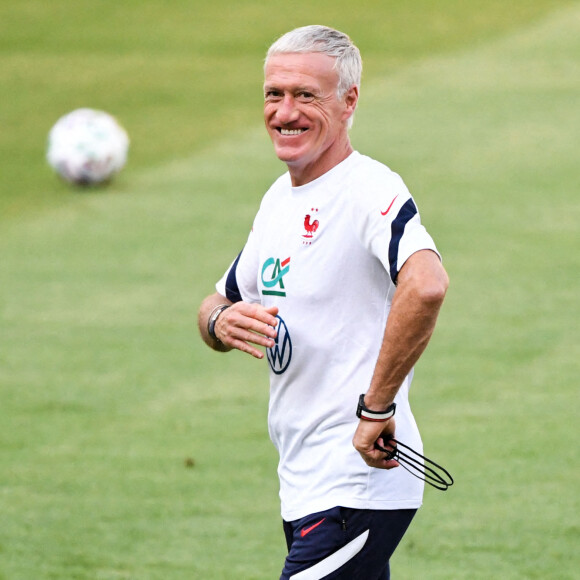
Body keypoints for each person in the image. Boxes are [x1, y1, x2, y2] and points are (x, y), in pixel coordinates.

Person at [198, 25, 449, 580]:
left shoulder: (366, 188)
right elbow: (218, 301)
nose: (285, 112)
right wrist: (221, 320)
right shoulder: (279, 200)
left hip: (356, 483)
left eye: (305, 95)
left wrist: (376, 408)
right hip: (305, 483)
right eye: (274, 94)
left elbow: (426, 283)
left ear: (349, 100)